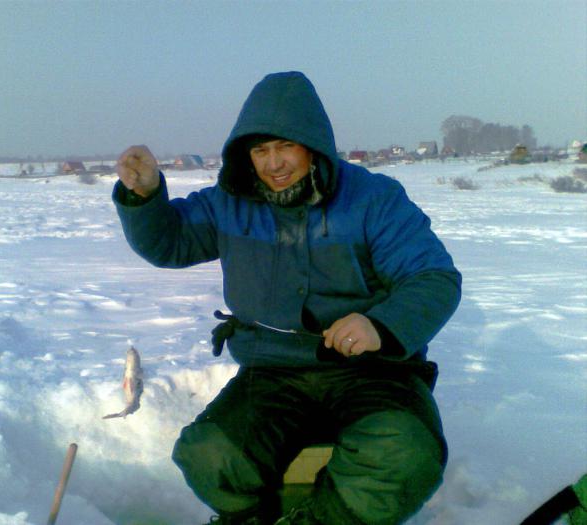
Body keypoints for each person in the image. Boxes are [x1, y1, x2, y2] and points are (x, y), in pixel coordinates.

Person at [113, 71, 461, 525]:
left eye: (285, 147)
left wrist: (379, 325)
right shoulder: (228, 203)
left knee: (405, 455)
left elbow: (433, 277)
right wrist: (145, 197)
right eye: (260, 151)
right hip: (273, 372)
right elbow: (170, 242)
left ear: (312, 146)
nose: (273, 163)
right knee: (208, 455)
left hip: (374, 372)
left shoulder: (373, 199)